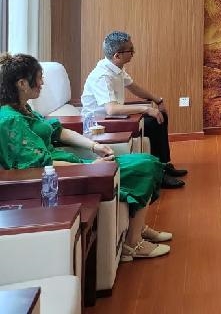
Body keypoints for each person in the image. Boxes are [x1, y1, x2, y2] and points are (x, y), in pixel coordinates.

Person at [0, 53, 172, 261]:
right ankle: (133, 243)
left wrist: (94, 145)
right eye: (38, 78)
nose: (42, 83)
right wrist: (89, 168)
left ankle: (138, 227)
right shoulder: (10, 121)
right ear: (21, 84)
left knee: (146, 161)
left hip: (72, 164)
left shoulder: (24, 109)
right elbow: (39, 166)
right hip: (58, 178)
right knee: (145, 165)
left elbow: (58, 131)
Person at [81, 31, 187, 188]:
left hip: (113, 118)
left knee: (160, 116)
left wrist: (157, 100)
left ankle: (164, 164)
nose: (133, 53)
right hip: (99, 124)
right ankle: (159, 174)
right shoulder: (102, 76)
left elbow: (134, 87)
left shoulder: (116, 68)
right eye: (130, 50)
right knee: (152, 123)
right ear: (117, 55)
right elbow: (111, 109)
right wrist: (146, 109)